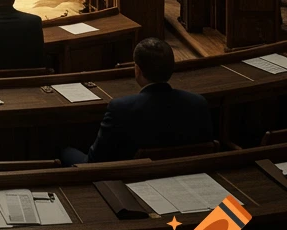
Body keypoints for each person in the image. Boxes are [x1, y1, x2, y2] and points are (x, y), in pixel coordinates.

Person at [61, 38, 213, 164]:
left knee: (65, 151)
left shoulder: (120, 109)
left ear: (138, 70)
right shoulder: (198, 103)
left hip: (129, 180)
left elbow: (94, 163)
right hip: (186, 173)